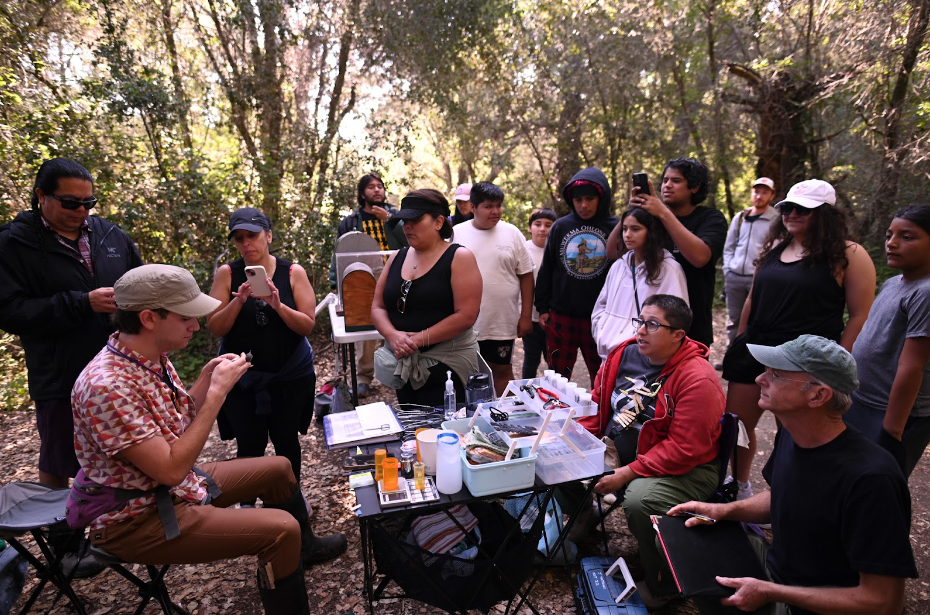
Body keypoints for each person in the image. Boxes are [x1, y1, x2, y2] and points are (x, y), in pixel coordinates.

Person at [72, 265, 346, 614]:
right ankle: (290, 558)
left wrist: (204, 379)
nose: (196, 326)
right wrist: (217, 396)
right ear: (148, 318)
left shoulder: (145, 357)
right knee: (281, 529)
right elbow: (171, 469)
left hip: (169, 489)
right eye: (186, 316)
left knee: (280, 468)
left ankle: (303, 551)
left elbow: (177, 423)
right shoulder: (107, 386)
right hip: (137, 517)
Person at [670, 335, 917, 615]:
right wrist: (720, 510)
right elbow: (782, 496)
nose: (760, 379)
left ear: (818, 395)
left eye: (775, 375)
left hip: (816, 604)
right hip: (778, 574)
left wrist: (770, 592)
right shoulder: (793, 432)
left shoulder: (871, 480)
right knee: (681, 539)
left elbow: (883, 602)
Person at [722, 179, 875, 499]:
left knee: (793, 432)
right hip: (755, 349)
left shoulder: (848, 254)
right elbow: (752, 298)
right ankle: (739, 487)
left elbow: (860, 315)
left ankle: (786, 497)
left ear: (826, 214)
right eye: (787, 208)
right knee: (736, 426)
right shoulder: (775, 247)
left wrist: (835, 362)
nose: (791, 213)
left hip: (805, 360)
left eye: (802, 209)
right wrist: (740, 340)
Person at [0, 158, 143, 489]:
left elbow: (140, 285)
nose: (81, 210)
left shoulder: (110, 235)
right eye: (71, 203)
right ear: (42, 196)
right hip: (60, 374)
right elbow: (9, 311)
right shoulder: (13, 243)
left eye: (88, 202)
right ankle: (63, 537)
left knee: (125, 452)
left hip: (121, 371)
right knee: (59, 457)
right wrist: (82, 302)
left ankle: (119, 533)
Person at [581, 295, 724, 608]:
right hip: (621, 452)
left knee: (640, 499)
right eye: (640, 321)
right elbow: (597, 402)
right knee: (557, 455)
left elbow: (685, 449)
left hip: (689, 469)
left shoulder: (696, 379)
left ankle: (664, 584)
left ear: (678, 335)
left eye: (653, 324)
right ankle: (583, 518)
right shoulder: (624, 354)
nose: (641, 331)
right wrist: (576, 436)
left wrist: (627, 473)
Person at [206, 208, 317, 486]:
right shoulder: (227, 273)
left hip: (288, 377)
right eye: (239, 238)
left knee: (286, 442)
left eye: (252, 236)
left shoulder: (292, 272)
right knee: (249, 445)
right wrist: (239, 300)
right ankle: (246, 507)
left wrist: (277, 305)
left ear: (268, 236)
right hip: (243, 381)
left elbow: (307, 326)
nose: (246, 244)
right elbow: (216, 327)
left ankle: (292, 503)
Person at [371, 189, 482, 406]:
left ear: (438, 222)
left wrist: (417, 340)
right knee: (413, 432)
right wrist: (393, 336)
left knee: (447, 433)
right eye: (404, 221)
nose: (407, 226)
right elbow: (378, 306)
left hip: (447, 368)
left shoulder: (459, 257)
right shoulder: (397, 256)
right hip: (404, 364)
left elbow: (467, 315)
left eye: (415, 219)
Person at [845, 204, 930, 477]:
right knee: (850, 476)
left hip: (896, 413)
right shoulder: (894, 283)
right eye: (889, 235)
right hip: (862, 400)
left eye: (907, 237)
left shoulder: (926, 292)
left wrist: (892, 431)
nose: (891, 244)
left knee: (877, 484)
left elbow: (912, 366)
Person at [610, 159, 727, 348]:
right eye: (665, 180)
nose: (667, 186)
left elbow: (700, 258)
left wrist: (664, 213)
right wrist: (631, 212)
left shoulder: (711, 218)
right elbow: (612, 252)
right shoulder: (652, 219)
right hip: (652, 328)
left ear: (695, 187)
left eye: (676, 181)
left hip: (693, 325)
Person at [535, 168, 619, 388]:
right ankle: (553, 419)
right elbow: (548, 268)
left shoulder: (617, 228)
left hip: (602, 317)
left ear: (602, 198)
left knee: (604, 377)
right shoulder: (561, 226)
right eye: (578, 199)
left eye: (590, 199)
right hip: (562, 316)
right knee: (556, 378)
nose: (584, 205)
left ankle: (600, 420)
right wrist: (542, 307)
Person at [453, 182, 535, 395]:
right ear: (473, 207)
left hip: (501, 320)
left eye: (498, 205)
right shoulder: (455, 234)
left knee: (502, 371)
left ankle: (509, 420)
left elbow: (526, 275)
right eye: (488, 206)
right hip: (465, 322)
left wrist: (526, 315)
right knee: (465, 374)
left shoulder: (512, 233)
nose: (496, 211)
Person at [330, 173, 407, 398]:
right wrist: (337, 285)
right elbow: (339, 254)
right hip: (363, 278)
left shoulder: (396, 216)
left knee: (396, 323)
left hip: (395, 274)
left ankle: (397, 372)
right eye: (371, 187)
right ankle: (363, 377)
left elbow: (408, 243)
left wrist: (390, 220)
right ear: (362, 193)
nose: (377, 190)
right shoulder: (351, 221)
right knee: (365, 327)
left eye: (380, 186)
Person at [591, 207, 688, 360]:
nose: (627, 235)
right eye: (624, 229)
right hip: (608, 355)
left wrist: (637, 346)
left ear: (651, 232)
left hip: (644, 359)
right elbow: (601, 307)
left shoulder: (669, 270)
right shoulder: (618, 266)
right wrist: (601, 332)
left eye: (635, 229)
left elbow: (675, 318)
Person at [721, 177, 779, 351]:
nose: (759, 196)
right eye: (756, 191)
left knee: (759, 318)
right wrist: (728, 269)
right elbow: (729, 246)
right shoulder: (740, 217)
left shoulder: (776, 220)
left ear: (772, 195)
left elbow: (777, 249)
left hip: (760, 278)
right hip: (735, 276)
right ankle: (732, 353)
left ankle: (753, 356)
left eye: (764, 192)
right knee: (734, 318)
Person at [521, 208, 556, 379]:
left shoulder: (557, 250)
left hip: (552, 316)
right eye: (537, 224)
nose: (542, 229)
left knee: (553, 360)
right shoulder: (523, 249)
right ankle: (526, 394)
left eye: (548, 225)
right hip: (530, 317)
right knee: (531, 359)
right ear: (529, 227)